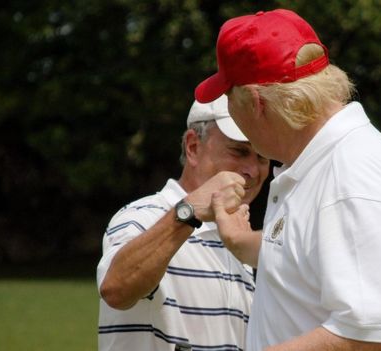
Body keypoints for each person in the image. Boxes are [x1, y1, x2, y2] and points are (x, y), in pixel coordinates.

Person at [195, 8, 381, 351]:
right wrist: (240, 242)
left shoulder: (350, 175)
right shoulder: (321, 164)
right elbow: (311, 264)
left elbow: (373, 337)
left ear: (255, 102)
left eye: (227, 97)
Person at [96, 95, 270, 351]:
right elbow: (116, 289)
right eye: (239, 151)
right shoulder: (143, 214)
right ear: (193, 147)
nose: (253, 171)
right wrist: (188, 213)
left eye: (263, 157)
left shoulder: (240, 242)